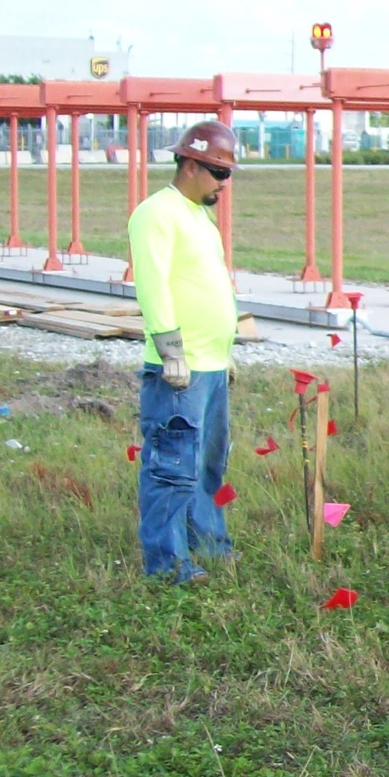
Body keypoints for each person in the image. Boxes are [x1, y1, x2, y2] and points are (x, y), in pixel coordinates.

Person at [129, 121, 241, 584]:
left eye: (228, 174)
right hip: (180, 369)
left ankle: (208, 541)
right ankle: (168, 564)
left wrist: (225, 350)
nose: (223, 183)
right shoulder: (157, 213)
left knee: (208, 464)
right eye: (218, 172)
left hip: (211, 365)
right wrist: (171, 350)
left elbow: (207, 285)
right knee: (172, 467)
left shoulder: (199, 216)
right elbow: (153, 287)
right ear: (190, 164)